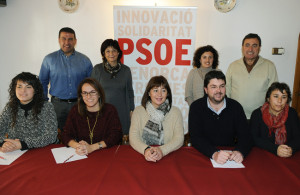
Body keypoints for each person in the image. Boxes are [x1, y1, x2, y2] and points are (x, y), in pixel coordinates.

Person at [189, 70, 252, 164]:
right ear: (206, 90)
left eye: (222, 86)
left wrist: (240, 151)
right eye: (213, 87)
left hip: (229, 156)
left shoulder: (235, 107)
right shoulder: (196, 107)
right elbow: (196, 138)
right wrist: (214, 154)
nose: (218, 91)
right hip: (204, 154)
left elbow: (246, 136)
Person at [39, 27, 93, 131]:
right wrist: (44, 104)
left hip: (79, 104)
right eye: (64, 38)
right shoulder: (49, 59)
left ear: (75, 41)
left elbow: (92, 84)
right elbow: (42, 82)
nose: (67, 42)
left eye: (70, 39)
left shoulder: (84, 60)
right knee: (57, 136)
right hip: (57, 106)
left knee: (81, 133)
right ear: (59, 40)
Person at [129, 76, 184, 162]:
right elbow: (133, 136)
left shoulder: (175, 112)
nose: (159, 94)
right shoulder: (139, 111)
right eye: (155, 90)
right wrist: (146, 150)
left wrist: (162, 150)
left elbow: (179, 138)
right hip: (142, 156)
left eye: (163, 90)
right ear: (148, 93)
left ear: (167, 93)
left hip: (168, 157)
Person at [62, 78, 123, 155]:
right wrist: (78, 146)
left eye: (92, 92)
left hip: (105, 154)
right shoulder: (75, 110)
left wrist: (92, 147)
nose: (88, 96)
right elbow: (65, 134)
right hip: (82, 154)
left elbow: (116, 136)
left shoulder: (110, 110)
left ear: (99, 94)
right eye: (85, 93)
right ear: (81, 95)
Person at [0, 72, 57, 152]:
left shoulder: (47, 107)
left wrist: (22, 144)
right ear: (14, 89)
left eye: (28, 87)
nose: (23, 91)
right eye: (19, 86)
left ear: (35, 90)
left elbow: (51, 136)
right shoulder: (10, 107)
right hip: (15, 152)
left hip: (40, 151)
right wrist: (4, 143)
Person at [226, 33, 278, 119]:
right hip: (236, 115)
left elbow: (274, 92)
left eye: (254, 45)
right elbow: (227, 90)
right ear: (242, 48)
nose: (250, 49)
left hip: (260, 116)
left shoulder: (269, 66)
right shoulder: (233, 66)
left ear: (259, 48)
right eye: (247, 45)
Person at [91, 39, 134, 135]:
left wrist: (131, 110)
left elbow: (130, 92)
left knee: (121, 140)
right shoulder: (97, 69)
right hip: (102, 111)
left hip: (122, 111)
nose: (111, 53)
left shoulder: (126, 70)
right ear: (103, 54)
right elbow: (92, 92)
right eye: (108, 51)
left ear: (118, 53)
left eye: (114, 50)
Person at [250, 82, 300, 157]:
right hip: (263, 155)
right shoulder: (257, 114)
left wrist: (290, 149)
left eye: (284, 97)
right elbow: (253, 138)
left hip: (287, 155)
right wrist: (275, 149)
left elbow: (298, 137)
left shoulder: (292, 113)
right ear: (268, 98)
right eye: (276, 96)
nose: (280, 101)